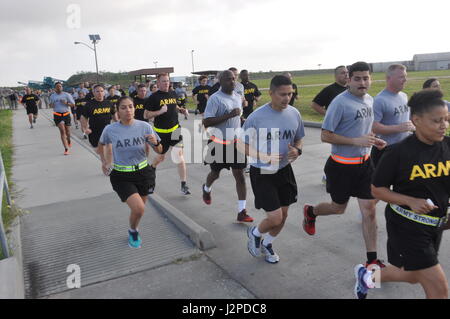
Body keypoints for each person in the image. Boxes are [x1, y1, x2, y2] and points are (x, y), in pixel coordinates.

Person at [355, 89, 450, 299]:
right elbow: (376, 189)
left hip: (435, 223)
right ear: (416, 120)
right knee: (439, 290)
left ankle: (367, 277)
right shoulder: (397, 153)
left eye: (446, 119)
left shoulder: (448, 145)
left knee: (413, 275)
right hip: (407, 226)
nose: (443, 125)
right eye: (436, 121)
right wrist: (410, 201)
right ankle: (368, 276)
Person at [302, 62, 387, 268]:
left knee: (369, 210)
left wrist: (374, 140)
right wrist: (355, 141)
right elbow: (325, 135)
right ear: (348, 79)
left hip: (365, 164)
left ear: (371, 79)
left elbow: (362, 130)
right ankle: (311, 212)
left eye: (366, 78)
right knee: (338, 208)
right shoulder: (339, 103)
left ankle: (372, 261)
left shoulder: (369, 100)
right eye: (357, 78)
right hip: (341, 166)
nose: (362, 82)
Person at [238, 75, 305, 263]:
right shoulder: (257, 117)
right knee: (275, 218)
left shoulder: (294, 113)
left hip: (284, 170)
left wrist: (297, 150)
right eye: (282, 94)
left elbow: (299, 138)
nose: (287, 98)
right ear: (271, 93)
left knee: (283, 216)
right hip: (262, 172)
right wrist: (263, 156)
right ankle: (255, 233)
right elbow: (241, 145)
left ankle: (267, 243)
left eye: (290, 94)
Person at [98, 96, 163, 248]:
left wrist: (156, 143)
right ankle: (133, 232)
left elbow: (159, 149)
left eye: (130, 106)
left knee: (140, 211)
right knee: (139, 208)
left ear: (134, 108)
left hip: (143, 173)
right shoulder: (110, 129)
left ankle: (133, 228)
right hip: (121, 176)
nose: (128, 110)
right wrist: (104, 162)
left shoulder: (144, 126)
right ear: (117, 111)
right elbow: (101, 145)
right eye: (123, 107)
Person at [202, 70, 254, 223]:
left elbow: (238, 117)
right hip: (218, 143)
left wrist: (243, 121)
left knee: (240, 176)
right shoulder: (215, 99)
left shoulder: (238, 97)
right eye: (228, 79)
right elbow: (207, 122)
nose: (232, 82)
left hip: (236, 143)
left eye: (233, 79)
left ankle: (242, 211)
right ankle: (206, 188)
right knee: (215, 174)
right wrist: (229, 115)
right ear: (220, 81)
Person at [144, 73, 191, 195]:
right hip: (161, 134)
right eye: (163, 81)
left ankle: (183, 185)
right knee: (160, 157)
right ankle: (152, 167)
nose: (166, 83)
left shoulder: (173, 93)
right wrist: (160, 111)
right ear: (158, 83)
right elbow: (146, 115)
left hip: (175, 130)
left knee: (179, 157)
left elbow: (174, 105)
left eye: (167, 81)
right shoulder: (153, 98)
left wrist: (181, 110)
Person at [371, 64, 415, 167]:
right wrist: (399, 128)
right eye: (401, 77)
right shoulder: (379, 100)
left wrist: (413, 127)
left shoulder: (404, 96)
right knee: (381, 182)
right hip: (385, 149)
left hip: (404, 148)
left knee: (402, 182)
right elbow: (374, 127)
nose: (405, 80)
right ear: (388, 78)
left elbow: (406, 120)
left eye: (405, 76)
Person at [81, 84, 114, 154]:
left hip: (107, 131)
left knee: (107, 152)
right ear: (93, 93)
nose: (100, 93)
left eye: (102, 91)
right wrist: (85, 128)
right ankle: (105, 163)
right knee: (100, 152)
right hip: (94, 132)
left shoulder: (108, 103)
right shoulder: (89, 104)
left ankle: (106, 163)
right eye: (97, 91)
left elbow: (114, 114)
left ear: (104, 92)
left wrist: (119, 124)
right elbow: (84, 117)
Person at [49, 82, 75, 155]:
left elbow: (73, 104)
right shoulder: (52, 96)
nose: (59, 88)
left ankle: (69, 140)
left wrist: (66, 103)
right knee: (62, 131)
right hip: (57, 115)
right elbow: (50, 105)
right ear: (55, 88)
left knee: (68, 132)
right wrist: (52, 104)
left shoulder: (67, 95)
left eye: (60, 86)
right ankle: (66, 149)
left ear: (62, 87)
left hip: (66, 114)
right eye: (57, 86)